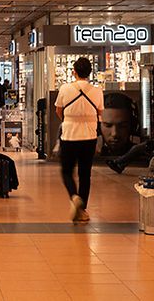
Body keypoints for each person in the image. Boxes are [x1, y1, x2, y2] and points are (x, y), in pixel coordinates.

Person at [55, 57, 103, 224]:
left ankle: (74, 197)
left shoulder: (65, 88)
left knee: (67, 171)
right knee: (85, 174)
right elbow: (100, 112)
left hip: (69, 135)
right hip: (89, 136)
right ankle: (82, 210)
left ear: (74, 71)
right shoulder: (97, 91)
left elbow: (58, 110)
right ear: (90, 72)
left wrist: (68, 119)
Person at [103, 93, 154, 174]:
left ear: (133, 125)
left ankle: (119, 163)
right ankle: (119, 164)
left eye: (123, 126)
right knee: (140, 147)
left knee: (138, 148)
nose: (114, 134)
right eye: (108, 125)